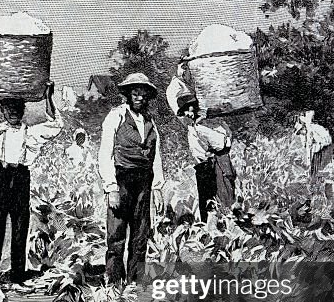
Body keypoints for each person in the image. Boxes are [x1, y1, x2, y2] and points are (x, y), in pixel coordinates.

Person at [0, 81, 61, 288]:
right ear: (2, 110)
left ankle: (18, 272)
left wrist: (48, 97)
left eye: (17, 109)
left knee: (20, 226)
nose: (13, 113)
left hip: (20, 178)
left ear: (23, 110)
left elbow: (56, 125)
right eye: (9, 109)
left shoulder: (31, 132)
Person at [99, 73, 165, 284]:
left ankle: (135, 282)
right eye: (135, 94)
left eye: (143, 95)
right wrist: (111, 188)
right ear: (128, 95)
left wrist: (157, 188)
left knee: (140, 234)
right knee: (117, 234)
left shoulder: (150, 121)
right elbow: (105, 153)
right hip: (122, 179)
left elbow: (156, 156)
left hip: (143, 181)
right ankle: (113, 282)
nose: (139, 98)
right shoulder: (116, 116)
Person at [166, 74, 236, 216]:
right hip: (204, 165)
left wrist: (211, 152)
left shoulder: (205, 124)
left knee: (222, 196)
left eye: (189, 109)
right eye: (184, 111)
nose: (187, 114)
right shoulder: (194, 126)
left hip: (216, 163)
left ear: (194, 107)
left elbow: (223, 143)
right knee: (207, 199)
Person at [295, 110, 333, 193]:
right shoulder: (306, 134)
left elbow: (324, 141)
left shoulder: (314, 129)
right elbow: (308, 149)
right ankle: (313, 188)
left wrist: (316, 148)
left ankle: (318, 189)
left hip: (323, 150)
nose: (301, 132)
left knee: (319, 170)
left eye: (301, 130)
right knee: (314, 171)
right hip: (318, 151)